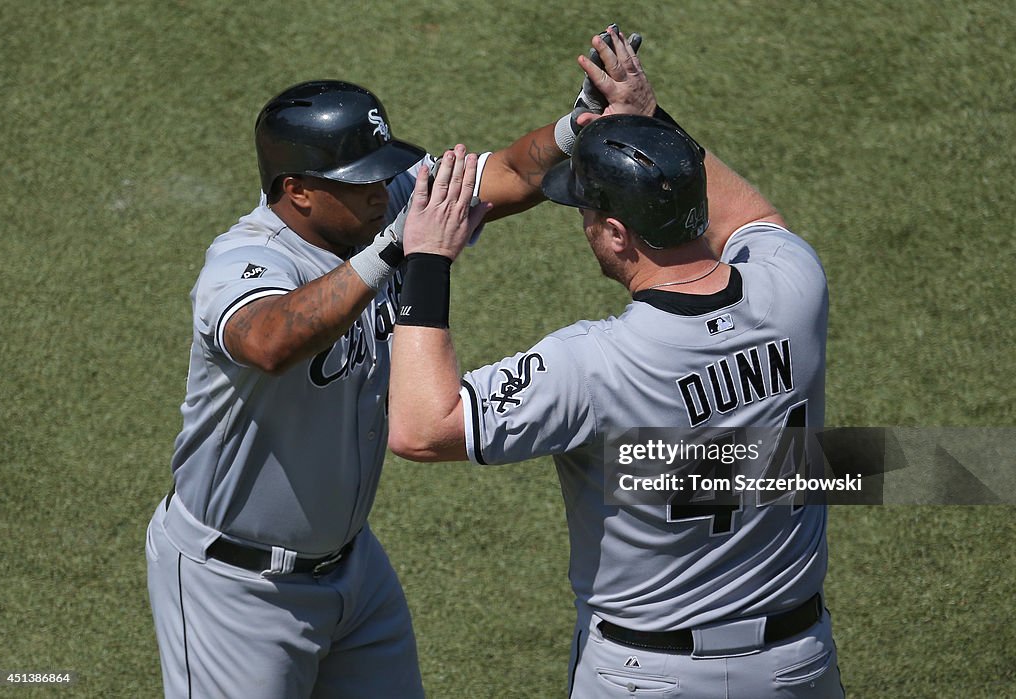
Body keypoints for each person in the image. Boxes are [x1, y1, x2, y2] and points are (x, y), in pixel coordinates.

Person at [144, 26, 657, 698]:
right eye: (357, 179)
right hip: (237, 588)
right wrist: (395, 248)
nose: (379, 187)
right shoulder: (247, 262)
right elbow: (267, 340)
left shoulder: (379, 206)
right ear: (296, 189)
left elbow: (504, 173)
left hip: (353, 570)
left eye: (382, 169)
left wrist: (576, 125)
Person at [387, 48, 845, 699]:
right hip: (794, 664)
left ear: (617, 235)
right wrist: (652, 121)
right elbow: (752, 219)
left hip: (651, 676)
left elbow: (419, 427)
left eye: (587, 214)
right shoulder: (794, 289)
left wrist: (426, 260)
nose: (581, 225)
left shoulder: (593, 364)